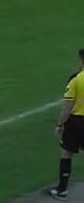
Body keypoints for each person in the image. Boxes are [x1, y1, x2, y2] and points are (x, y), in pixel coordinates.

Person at [48, 49, 84, 199]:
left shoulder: (76, 80)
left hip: (76, 122)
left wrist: (59, 124)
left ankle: (62, 190)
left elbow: (67, 106)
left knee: (66, 153)